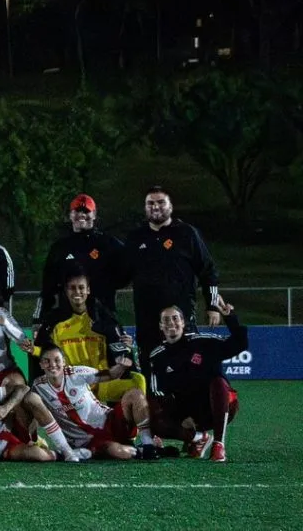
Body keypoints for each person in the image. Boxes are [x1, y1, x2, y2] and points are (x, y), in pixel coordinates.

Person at [122, 186, 221, 378]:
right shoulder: (135, 238)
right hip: (147, 319)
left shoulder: (187, 233)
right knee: (150, 368)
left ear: (170, 206)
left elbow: (208, 270)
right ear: (145, 208)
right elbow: (121, 274)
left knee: (187, 366)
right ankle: (153, 406)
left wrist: (213, 305)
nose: (155, 206)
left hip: (181, 317)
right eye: (150, 203)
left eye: (161, 202)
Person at [148, 299, 246, 463]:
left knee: (218, 382)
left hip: (216, 408)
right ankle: (198, 438)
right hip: (187, 415)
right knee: (152, 418)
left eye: (175, 318)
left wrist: (231, 318)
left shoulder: (202, 342)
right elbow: (158, 391)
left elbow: (239, 344)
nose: (171, 323)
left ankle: (218, 444)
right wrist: (181, 416)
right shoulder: (157, 356)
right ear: (160, 326)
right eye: (166, 320)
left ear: (183, 322)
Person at [33, 270, 145, 401]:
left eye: (81, 287)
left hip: (102, 383)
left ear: (88, 290)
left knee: (139, 383)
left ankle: (126, 419)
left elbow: (121, 351)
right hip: (72, 386)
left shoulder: (103, 320)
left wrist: (126, 348)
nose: (77, 292)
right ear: (66, 291)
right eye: (72, 288)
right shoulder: (54, 323)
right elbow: (42, 354)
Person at [32, 346, 155, 460]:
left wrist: (121, 366)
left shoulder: (77, 373)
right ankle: (137, 450)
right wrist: (33, 438)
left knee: (135, 394)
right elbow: (34, 411)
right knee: (120, 452)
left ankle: (148, 445)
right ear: (41, 365)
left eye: (57, 360)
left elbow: (110, 374)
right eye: (47, 361)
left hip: (110, 421)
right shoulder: (38, 387)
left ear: (64, 362)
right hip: (89, 441)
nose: (52, 365)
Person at [32, 193, 125, 327]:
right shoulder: (60, 248)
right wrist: (39, 319)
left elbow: (128, 268)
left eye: (86, 211)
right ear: (70, 215)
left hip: (103, 318)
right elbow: (47, 288)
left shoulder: (108, 244)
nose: (81, 215)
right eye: (77, 211)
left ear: (94, 214)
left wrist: (111, 284)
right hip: (68, 320)